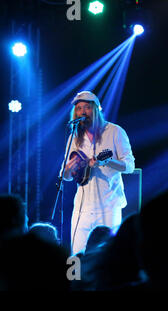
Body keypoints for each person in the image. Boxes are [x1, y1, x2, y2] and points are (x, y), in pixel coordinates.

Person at [61, 91, 135, 255]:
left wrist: (108, 161)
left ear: (96, 109)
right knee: (76, 256)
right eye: (79, 108)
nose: (83, 112)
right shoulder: (74, 136)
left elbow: (129, 166)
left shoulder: (115, 131)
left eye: (87, 107)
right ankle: (77, 281)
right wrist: (67, 171)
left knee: (109, 255)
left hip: (110, 205)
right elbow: (65, 177)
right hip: (82, 208)